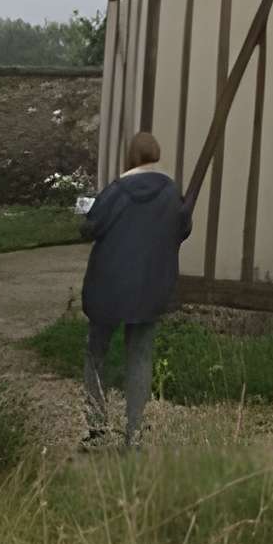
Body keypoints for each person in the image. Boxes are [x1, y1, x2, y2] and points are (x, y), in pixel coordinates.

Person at [77, 129, 191, 450]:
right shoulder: (172, 192)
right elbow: (182, 229)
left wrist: (88, 212)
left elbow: (90, 228)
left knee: (96, 353)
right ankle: (135, 434)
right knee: (140, 357)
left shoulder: (116, 191)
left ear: (130, 156)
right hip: (149, 287)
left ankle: (97, 430)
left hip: (108, 285)